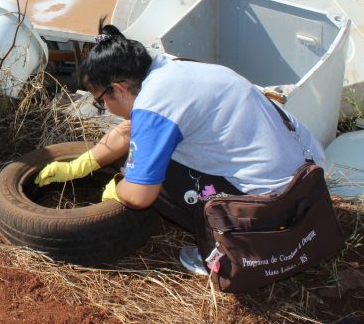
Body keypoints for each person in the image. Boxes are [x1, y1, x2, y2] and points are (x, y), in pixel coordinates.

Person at [34, 24, 325, 274]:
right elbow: (132, 129)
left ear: (119, 89)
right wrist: (82, 163)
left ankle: (221, 249)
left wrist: (119, 186)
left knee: (144, 173)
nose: (104, 109)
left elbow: (138, 196)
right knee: (148, 155)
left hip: (274, 205)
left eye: (100, 101)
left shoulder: (154, 105)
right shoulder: (167, 68)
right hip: (307, 177)